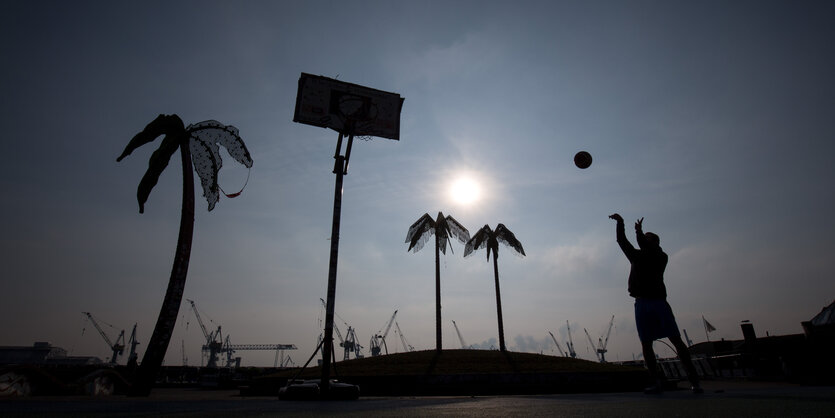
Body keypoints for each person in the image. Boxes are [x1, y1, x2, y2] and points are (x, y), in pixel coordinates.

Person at [609, 213, 703, 394]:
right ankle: (656, 381)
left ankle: (695, 381)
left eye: (648, 239)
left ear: (656, 243)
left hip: (658, 302)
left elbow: (644, 245)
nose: (644, 240)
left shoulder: (661, 257)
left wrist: (639, 232)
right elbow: (621, 241)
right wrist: (620, 224)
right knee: (646, 344)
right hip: (641, 303)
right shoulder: (636, 256)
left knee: (676, 341)